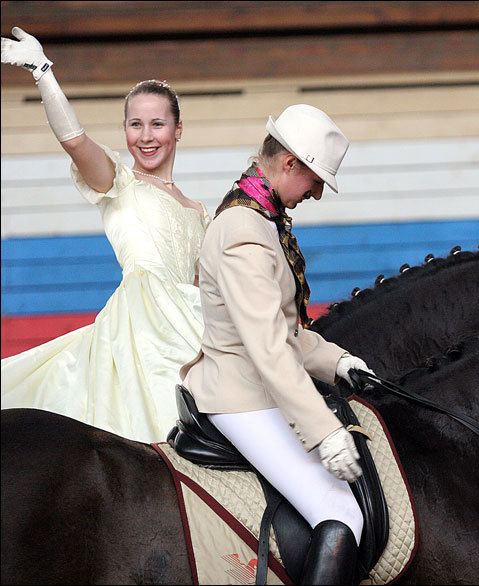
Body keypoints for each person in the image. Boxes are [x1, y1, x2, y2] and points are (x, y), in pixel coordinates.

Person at [179, 104, 373, 584]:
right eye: (315, 180)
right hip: (242, 398)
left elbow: (285, 331)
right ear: (289, 164)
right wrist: (323, 432)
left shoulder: (264, 217)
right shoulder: (244, 232)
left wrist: (339, 362)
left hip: (259, 385)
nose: (318, 193)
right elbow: (268, 348)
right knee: (342, 515)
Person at [1, 27, 210, 443]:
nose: (146, 136)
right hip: (141, 333)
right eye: (135, 124)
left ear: (178, 130)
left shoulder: (199, 210)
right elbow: (75, 142)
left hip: (196, 331)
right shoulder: (119, 182)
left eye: (157, 124)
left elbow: (203, 285)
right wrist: (43, 71)